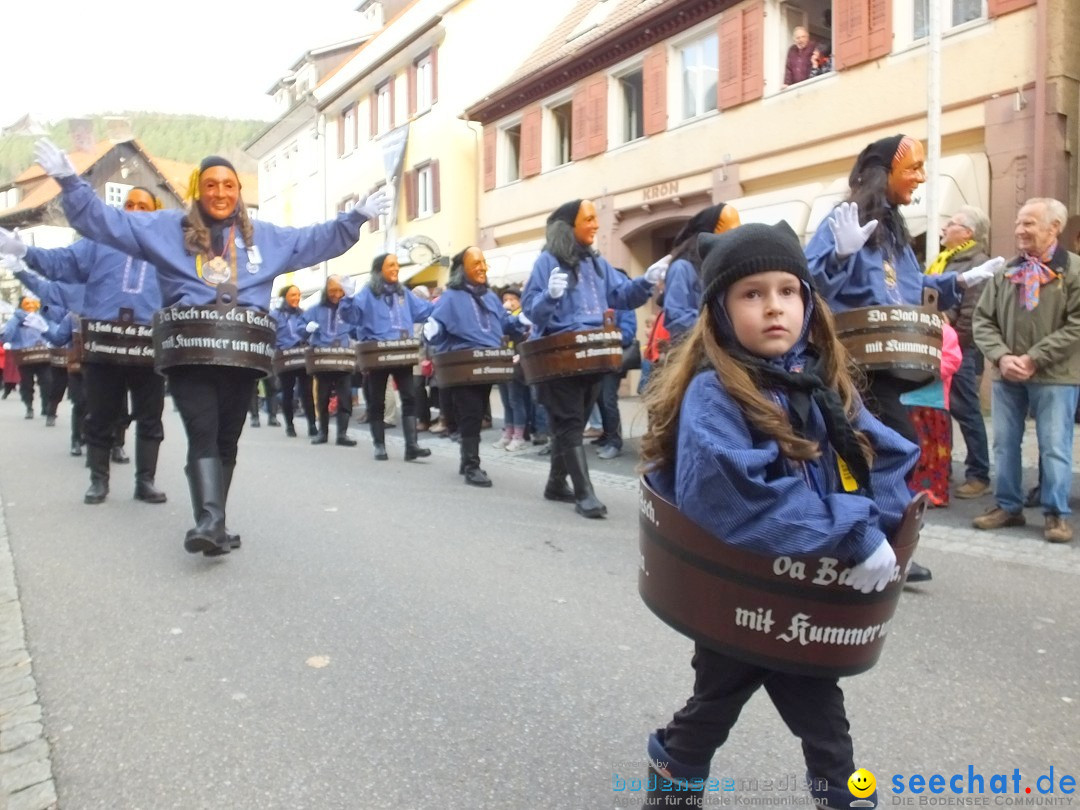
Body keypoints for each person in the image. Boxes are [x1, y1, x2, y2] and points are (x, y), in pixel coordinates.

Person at [638, 221, 918, 808]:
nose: (774, 308)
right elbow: (738, 496)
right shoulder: (715, 393)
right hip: (740, 590)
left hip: (807, 589)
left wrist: (887, 523)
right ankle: (675, 783)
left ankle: (839, 795)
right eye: (752, 293)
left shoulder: (818, 380)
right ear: (719, 309)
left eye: (788, 291)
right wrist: (852, 531)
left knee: (817, 716)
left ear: (807, 302)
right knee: (722, 702)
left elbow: (879, 453)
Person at [21, 140, 387, 555]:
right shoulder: (165, 229)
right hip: (189, 349)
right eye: (211, 184)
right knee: (202, 430)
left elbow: (315, 239)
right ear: (199, 190)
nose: (220, 192)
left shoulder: (263, 237)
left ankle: (217, 520)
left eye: (229, 185)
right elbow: (104, 222)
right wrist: (70, 181)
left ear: (238, 192)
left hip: (242, 353)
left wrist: (355, 217)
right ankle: (208, 520)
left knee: (227, 437)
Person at [805, 133, 1001, 583]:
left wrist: (960, 281)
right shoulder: (845, 218)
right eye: (912, 167)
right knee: (889, 445)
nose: (921, 176)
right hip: (851, 360)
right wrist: (838, 253)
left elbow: (910, 292)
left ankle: (877, 545)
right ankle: (883, 548)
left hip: (890, 360)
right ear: (883, 172)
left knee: (880, 449)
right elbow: (808, 283)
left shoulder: (893, 227)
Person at [11, 186, 168, 504]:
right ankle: (99, 480)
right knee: (100, 415)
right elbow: (61, 263)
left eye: (143, 205)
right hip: (102, 346)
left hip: (148, 347)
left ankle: (145, 482)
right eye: (129, 204)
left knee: (149, 416)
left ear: (155, 211)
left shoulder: (168, 249)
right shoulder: (100, 243)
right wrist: (25, 253)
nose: (134, 209)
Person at [522, 198, 663, 518]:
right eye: (588, 219)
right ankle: (585, 494)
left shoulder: (597, 263)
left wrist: (646, 281)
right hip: (560, 357)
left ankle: (557, 483)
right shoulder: (547, 261)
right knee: (571, 422)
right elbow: (531, 309)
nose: (596, 225)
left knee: (572, 421)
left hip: (594, 355)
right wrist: (549, 296)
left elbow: (622, 296)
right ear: (569, 226)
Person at [972, 197, 1080, 544]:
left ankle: (1056, 513)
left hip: (1056, 375)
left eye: (1029, 223)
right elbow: (982, 320)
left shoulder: (1074, 271)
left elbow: (1077, 325)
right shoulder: (1006, 273)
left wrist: (1034, 357)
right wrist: (1002, 357)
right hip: (1008, 375)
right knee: (1005, 443)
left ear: (1054, 228)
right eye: (1018, 222)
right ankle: (1008, 506)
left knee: (1054, 446)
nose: (1019, 229)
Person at [425, 247, 528, 486]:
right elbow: (436, 329)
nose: (482, 267)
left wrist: (522, 319)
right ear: (462, 269)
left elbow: (504, 323)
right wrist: (434, 329)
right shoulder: (450, 297)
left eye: (484, 262)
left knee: (477, 412)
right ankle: (472, 465)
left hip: (488, 364)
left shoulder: (490, 296)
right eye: (476, 263)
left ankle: (466, 460)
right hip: (462, 366)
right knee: (471, 414)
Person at [342, 253, 433, 461]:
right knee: (376, 400)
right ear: (379, 269)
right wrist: (347, 299)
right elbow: (351, 317)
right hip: (378, 355)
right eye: (391, 265)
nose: (396, 268)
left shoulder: (404, 294)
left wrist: (444, 303)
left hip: (402, 352)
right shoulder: (367, 293)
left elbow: (424, 310)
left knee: (409, 397)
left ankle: (412, 446)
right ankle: (379, 445)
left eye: (397, 265)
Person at [933, 206, 993, 498]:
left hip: (959, 351)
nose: (944, 227)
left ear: (967, 233)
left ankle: (979, 474)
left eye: (951, 223)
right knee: (939, 409)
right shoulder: (946, 261)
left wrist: (952, 344)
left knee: (967, 412)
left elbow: (971, 315)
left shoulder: (978, 264)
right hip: (939, 345)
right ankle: (942, 466)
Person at [901, 322, 962, 506]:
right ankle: (908, 493)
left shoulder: (945, 331)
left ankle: (934, 493)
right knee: (911, 449)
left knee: (935, 452)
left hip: (934, 403)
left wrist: (925, 371)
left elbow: (952, 360)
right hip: (907, 400)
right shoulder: (907, 326)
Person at [664, 203, 741, 343]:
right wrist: (716, 324)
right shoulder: (681, 268)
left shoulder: (720, 269)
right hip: (695, 351)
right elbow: (676, 319)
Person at [305, 275, 358, 447]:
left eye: (340, 290)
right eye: (332, 290)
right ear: (326, 290)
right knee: (322, 397)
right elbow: (301, 326)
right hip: (322, 360)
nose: (336, 294)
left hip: (343, 359)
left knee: (345, 396)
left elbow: (358, 326)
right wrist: (306, 328)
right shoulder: (315, 309)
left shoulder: (348, 309)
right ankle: (323, 432)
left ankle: (342, 434)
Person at [271, 284, 317, 438]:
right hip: (285, 357)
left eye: (298, 295)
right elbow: (272, 335)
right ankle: (290, 425)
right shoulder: (275, 315)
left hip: (302, 355)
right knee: (287, 392)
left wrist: (309, 331)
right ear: (284, 297)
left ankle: (312, 425)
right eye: (293, 295)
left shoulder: (302, 314)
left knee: (307, 392)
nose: (296, 298)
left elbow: (307, 334)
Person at [0, 295, 52, 421]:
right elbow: (8, 334)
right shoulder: (20, 319)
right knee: (34, 382)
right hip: (32, 354)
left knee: (38, 382)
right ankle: (34, 406)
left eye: (32, 303)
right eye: (27, 303)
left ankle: (38, 407)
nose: (31, 305)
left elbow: (51, 330)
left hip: (33, 354)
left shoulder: (38, 317)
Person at [493, 286, 530, 453]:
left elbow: (518, 332)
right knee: (506, 401)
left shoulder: (522, 317)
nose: (509, 302)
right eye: (505, 299)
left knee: (516, 399)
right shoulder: (502, 317)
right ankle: (508, 432)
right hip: (502, 361)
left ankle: (519, 435)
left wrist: (508, 316)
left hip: (516, 362)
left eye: (513, 299)